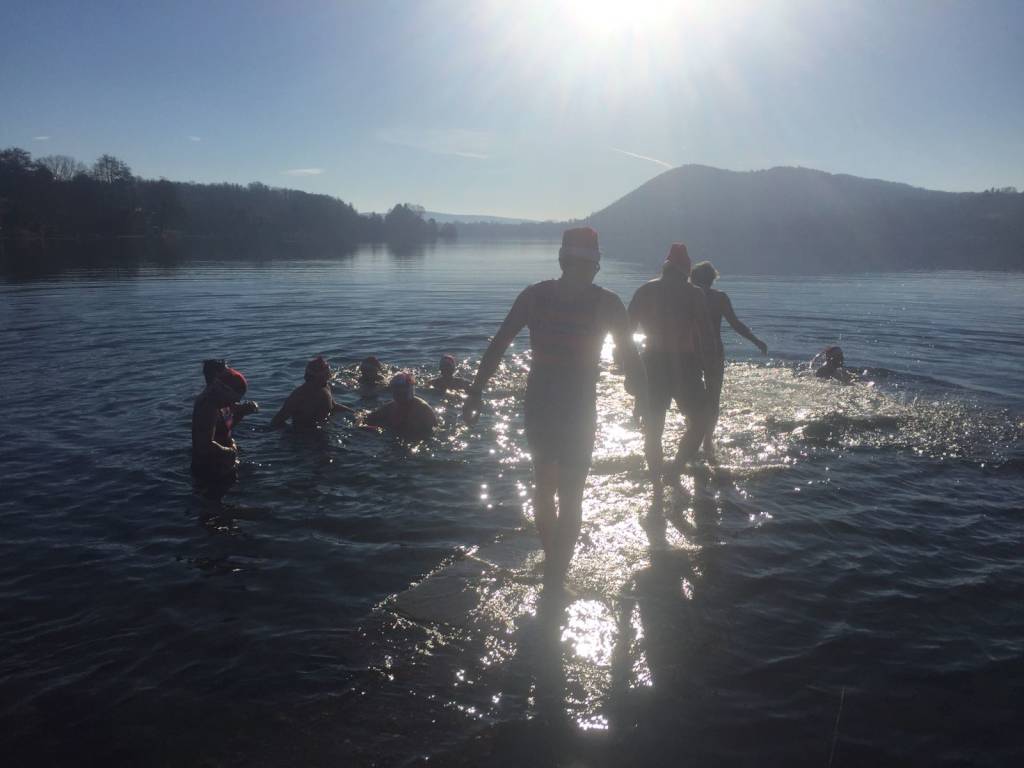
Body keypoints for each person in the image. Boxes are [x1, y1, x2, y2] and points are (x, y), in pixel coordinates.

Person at [463, 227, 646, 589]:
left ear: (562, 259)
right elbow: (630, 359)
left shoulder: (535, 296)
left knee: (544, 486)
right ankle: (558, 572)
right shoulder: (607, 303)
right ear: (596, 265)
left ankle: (552, 560)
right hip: (578, 404)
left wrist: (476, 393)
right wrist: (638, 396)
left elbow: (499, 344)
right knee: (573, 492)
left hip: (541, 401)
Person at [627, 243, 716, 501]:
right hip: (684, 364)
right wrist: (711, 374)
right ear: (685, 271)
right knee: (700, 421)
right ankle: (674, 470)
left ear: (665, 268)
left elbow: (625, 335)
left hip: (652, 362)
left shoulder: (645, 291)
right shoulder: (694, 294)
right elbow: (707, 337)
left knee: (653, 429)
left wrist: (630, 372)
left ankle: (657, 487)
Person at [689, 260, 768, 462]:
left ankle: (693, 436)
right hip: (714, 352)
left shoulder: (686, 296)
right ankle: (707, 441)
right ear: (713, 279)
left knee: (692, 397)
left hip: (690, 353)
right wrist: (756, 340)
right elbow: (735, 324)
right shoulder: (720, 298)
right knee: (713, 399)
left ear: (693, 277)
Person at [192, 366, 250, 479]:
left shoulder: (219, 403)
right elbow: (205, 445)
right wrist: (230, 452)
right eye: (234, 399)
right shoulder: (208, 407)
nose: (236, 402)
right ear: (224, 390)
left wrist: (241, 413)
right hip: (209, 472)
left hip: (219, 465)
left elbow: (221, 431)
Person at [270, 355, 354, 429]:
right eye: (326, 371)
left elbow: (334, 406)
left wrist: (354, 413)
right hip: (303, 436)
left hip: (323, 428)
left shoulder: (324, 386)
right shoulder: (299, 395)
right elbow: (277, 421)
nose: (329, 373)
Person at [364, 372, 437, 439]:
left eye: (402, 392)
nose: (399, 395)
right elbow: (368, 419)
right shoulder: (390, 407)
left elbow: (434, 430)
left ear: (409, 390)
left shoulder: (423, 409)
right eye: (397, 392)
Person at [202, 359, 258, 445]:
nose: (236, 401)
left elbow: (226, 427)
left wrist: (241, 411)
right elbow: (213, 438)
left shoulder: (220, 400)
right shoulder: (209, 407)